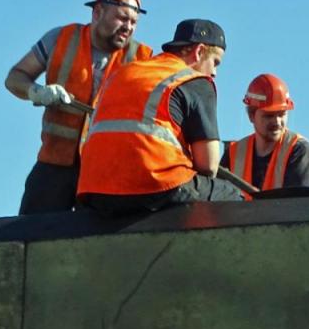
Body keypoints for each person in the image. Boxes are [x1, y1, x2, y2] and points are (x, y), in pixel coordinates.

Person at [4, 0, 152, 215]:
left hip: (105, 173)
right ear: (97, 12)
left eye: (133, 22)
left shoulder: (143, 59)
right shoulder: (61, 39)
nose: (128, 27)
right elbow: (14, 78)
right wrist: (37, 92)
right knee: (31, 234)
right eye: (122, 18)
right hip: (54, 165)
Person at [77, 19, 242, 215]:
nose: (214, 72)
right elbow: (208, 165)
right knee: (231, 195)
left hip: (94, 191)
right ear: (199, 52)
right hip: (155, 186)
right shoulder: (195, 81)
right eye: (215, 63)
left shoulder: (124, 73)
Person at [221, 73, 309, 194]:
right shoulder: (233, 154)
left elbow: (300, 208)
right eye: (269, 116)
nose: (277, 121)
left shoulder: (300, 152)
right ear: (251, 115)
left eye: (282, 114)